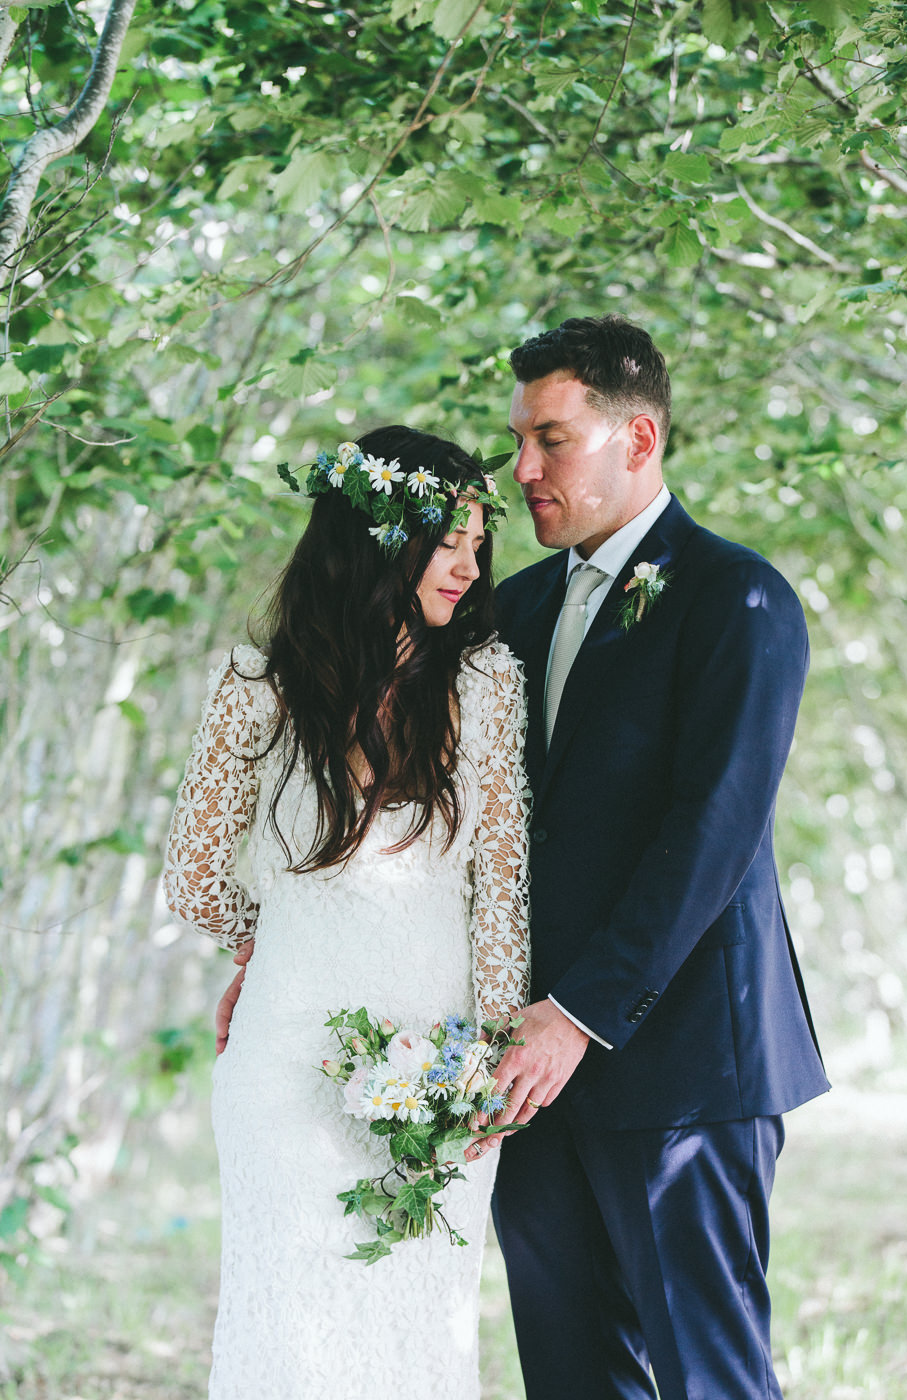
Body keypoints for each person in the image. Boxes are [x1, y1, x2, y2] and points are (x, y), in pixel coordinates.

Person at [482, 314, 831, 1400]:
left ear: (638, 440)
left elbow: (712, 829)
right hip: (527, 1087)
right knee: (572, 1378)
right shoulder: (512, 609)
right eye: (518, 442)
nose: (523, 469)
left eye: (552, 438)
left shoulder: (741, 598)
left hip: (684, 1071)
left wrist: (575, 1012)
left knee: (708, 1377)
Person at [162, 425, 530, 1400]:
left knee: (418, 1329)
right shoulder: (258, 688)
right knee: (290, 1329)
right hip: (286, 1069)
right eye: (447, 538)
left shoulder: (486, 682)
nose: (469, 562)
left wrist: (490, 1053)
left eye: (478, 541)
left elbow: (502, 887)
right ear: (377, 540)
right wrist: (269, 943)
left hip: (440, 1061)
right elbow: (191, 875)